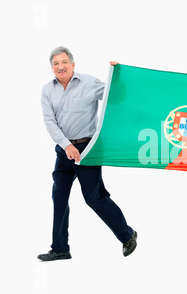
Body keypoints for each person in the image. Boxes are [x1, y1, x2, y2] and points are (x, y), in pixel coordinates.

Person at [38, 46, 137, 261]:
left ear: (73, 65)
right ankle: (60, 248)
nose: (60, 66)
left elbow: (116, 97)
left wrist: (117, 75)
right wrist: (66, 146)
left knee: (94, 198)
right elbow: (49, 122)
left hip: (88, 150)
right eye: (55, 63)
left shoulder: (89, 83)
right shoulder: (47, 90)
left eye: (64, 62)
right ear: (52, 68)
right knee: (59, 196)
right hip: (64, 151)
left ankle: (127, 235)